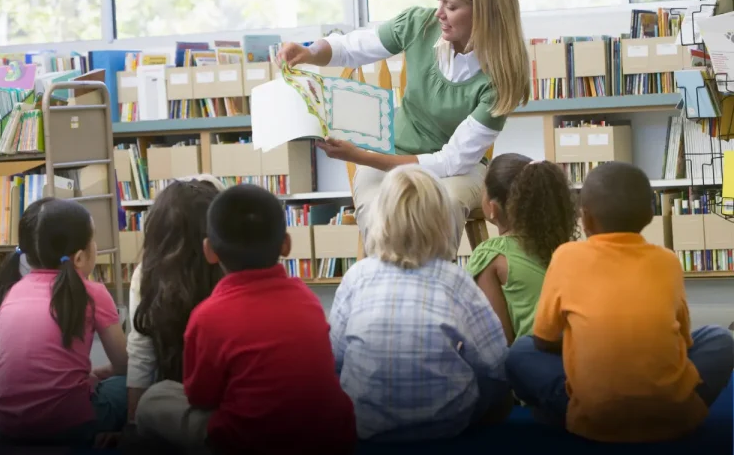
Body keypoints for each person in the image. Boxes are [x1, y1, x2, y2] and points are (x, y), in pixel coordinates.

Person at [276, 0, 530, 247]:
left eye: (451, 6)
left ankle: (433, 286)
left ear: (484, 13)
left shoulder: (499, 81)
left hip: (457, 169)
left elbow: (450, 161)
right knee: (378, 210)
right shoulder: (420, 25)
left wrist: (360, 156)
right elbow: (355, 47)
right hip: (391, 151)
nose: (439, 13)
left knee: (442, 207)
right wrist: (311, 51)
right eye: (439, 1)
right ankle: (386, 286)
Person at [505, 162, 734, 443]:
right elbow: (684, 342)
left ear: (585, 219)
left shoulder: (566, 256)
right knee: (721, 338)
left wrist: (585, 343)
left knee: (520, 352)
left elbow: (542, 340)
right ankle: (679, 410)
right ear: (651, 215)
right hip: (671, 415)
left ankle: (565, 413)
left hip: (594, 417)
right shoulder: (668, 260)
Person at [135, 184, 356, 454]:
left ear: (209, 251)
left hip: (248, 441)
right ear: (286, 244)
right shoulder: (308, 299)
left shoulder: (207, 317)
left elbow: (201, 397)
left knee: (154, 399)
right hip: (329, 438)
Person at [328, 165, 509, 442]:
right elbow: (494, 364)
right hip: (446, 427)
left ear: (379, 219)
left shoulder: (356, 278)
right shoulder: (455, 281)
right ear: (443, 222)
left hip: (366, 429)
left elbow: (336, 360)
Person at [0, 198, 128, 446]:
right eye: (93, 239)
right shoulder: (92, 292)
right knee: (135, 386)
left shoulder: (12, 291)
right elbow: (126, 365)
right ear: (80, 257)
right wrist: (106, 373)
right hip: (71, 427)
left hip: (5, 426)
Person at [126, 176, 224, 423]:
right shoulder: (232, 268)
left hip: (185, 401)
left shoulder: (146, 274)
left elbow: (142, 354)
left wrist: (132, 425)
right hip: (238, 404)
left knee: (138, 394)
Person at [465, 154, 577, 345]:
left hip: (534, 363)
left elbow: (498, 342)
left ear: (492, 207)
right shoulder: (567, 247)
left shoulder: (491, 256)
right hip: (578, 358)